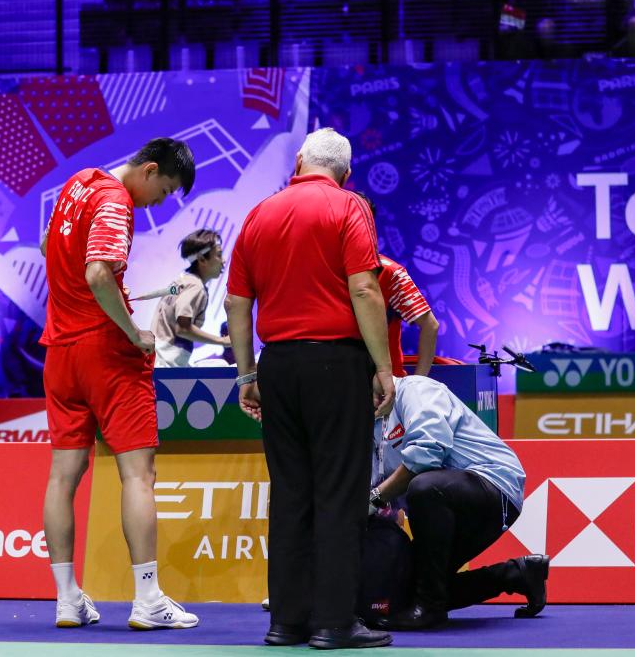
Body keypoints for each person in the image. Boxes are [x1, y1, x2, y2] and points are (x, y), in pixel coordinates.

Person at [225, 127, 395, 650]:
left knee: (290, 494)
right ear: (346, 173)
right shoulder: (349, 207)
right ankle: (334, 623)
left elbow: (236, 303)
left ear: (298, 160)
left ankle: (287, 622)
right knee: (340, 494)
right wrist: (384, 368)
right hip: (336, 364)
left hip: (277, 366)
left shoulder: (259, 213)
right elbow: (364, 288)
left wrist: (247, 375)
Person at [39, 138, 200, 631]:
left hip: (60, 352)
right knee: (138, 476)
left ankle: (67, 600)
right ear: (149, 170)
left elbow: (48, 246)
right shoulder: (115, 201)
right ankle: (148, 600)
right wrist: (133, 332)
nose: (159, 203)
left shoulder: (79, 183)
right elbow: (97, 273)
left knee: (63, 477)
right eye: (165, 190)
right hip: (107, 355)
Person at [367, 374, 549, 630]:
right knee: (402, 592)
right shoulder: (369, 428)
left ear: (382, 373)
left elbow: (427, 454)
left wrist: (375, 499)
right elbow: (380, 491)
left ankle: (429, 609)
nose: (372, 398)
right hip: (440, 507)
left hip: (493, 487)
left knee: (425, 487)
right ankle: (516, 575)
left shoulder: (417, 390)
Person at [354, 193, 439, 378]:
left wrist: (418, 383)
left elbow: (430, 326)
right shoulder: (329, 271)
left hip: (386, 386)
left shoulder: (391, 273)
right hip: (340, 381)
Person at [151, 229, 231, 367]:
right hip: (167, 365)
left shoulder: (182, 281)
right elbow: (183, 328)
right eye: (219, 255)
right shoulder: (195, 286)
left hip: (160, 360)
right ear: (201, 259)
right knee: (222, 366)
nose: (223, 261)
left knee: (219, 364)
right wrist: (222, 341)